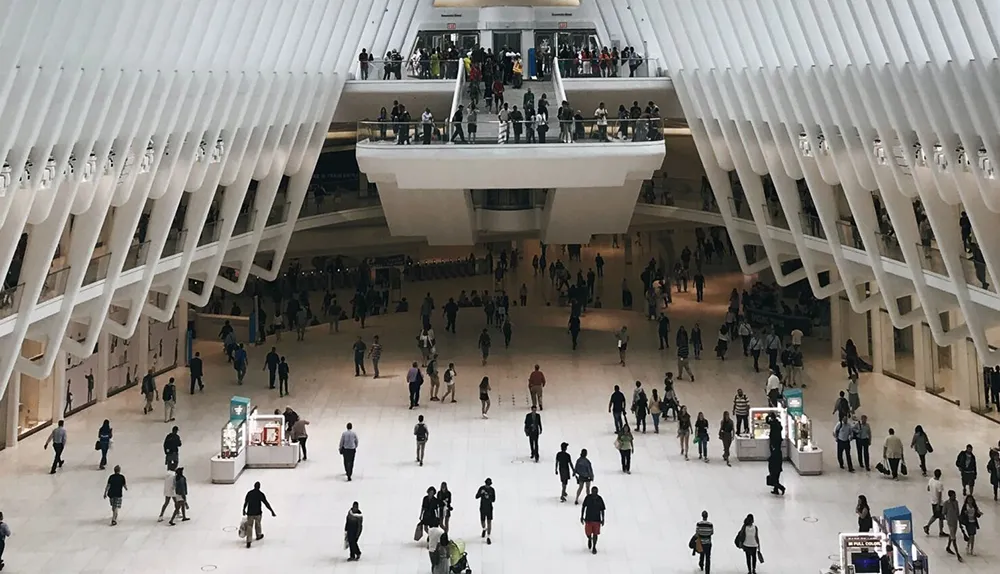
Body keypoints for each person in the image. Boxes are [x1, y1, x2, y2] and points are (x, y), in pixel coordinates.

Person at [242, 481, 276, 549]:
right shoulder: (260, 494)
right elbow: (266, 503)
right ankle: (258, 535)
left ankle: (249, 541)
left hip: (250, 513)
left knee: (249, 526)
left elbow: (246, 502)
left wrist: (243, 509)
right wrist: (272, 511)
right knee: (258, 525)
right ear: (259, 487)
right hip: (258, 513)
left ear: (254, 486)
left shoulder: (250, 493)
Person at [580, 486, 606, 555]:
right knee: (588, 533)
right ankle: (589, 538)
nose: (594, 493)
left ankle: (594, 546)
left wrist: (603, 519)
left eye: (596, 492)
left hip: (597, 520)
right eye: (593, 491)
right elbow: (583, 506)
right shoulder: (588, 498)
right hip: (588, 519)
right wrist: (582, 516)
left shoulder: (600, 499)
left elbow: (602, 509)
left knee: (595, 534)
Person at [923, 468, 946, 536]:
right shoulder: (939, 483)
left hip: (933, 501)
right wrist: (939, 504)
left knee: (938, 516)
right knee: (939, 516)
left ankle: (939, 530)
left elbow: (928, 488)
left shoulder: (931, 480)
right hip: (938, 503)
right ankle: (929, 527)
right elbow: (939, 495)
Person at [942, 489, 963, 562]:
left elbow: (957, 512)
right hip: (950, 522)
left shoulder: (956, 502)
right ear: (950, 496)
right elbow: (944, 512)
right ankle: (958, 554)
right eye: (954, 496)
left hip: (955, 521)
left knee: (952, 535)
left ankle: (948, 547)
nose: (955, 497)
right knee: (954, 538)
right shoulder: (946, 503)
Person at [475, 478, 496, 545]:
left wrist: (488, 497)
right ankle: (484, 528)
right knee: (482, 521)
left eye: (489, 485)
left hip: (489, 508)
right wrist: (481, 493)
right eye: (487, 484)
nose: (488, 486)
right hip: (483, 507)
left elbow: (493, 500)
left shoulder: (492, 490)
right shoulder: (481, 488)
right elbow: (476, 496)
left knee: (489, 521)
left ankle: (488, 536)